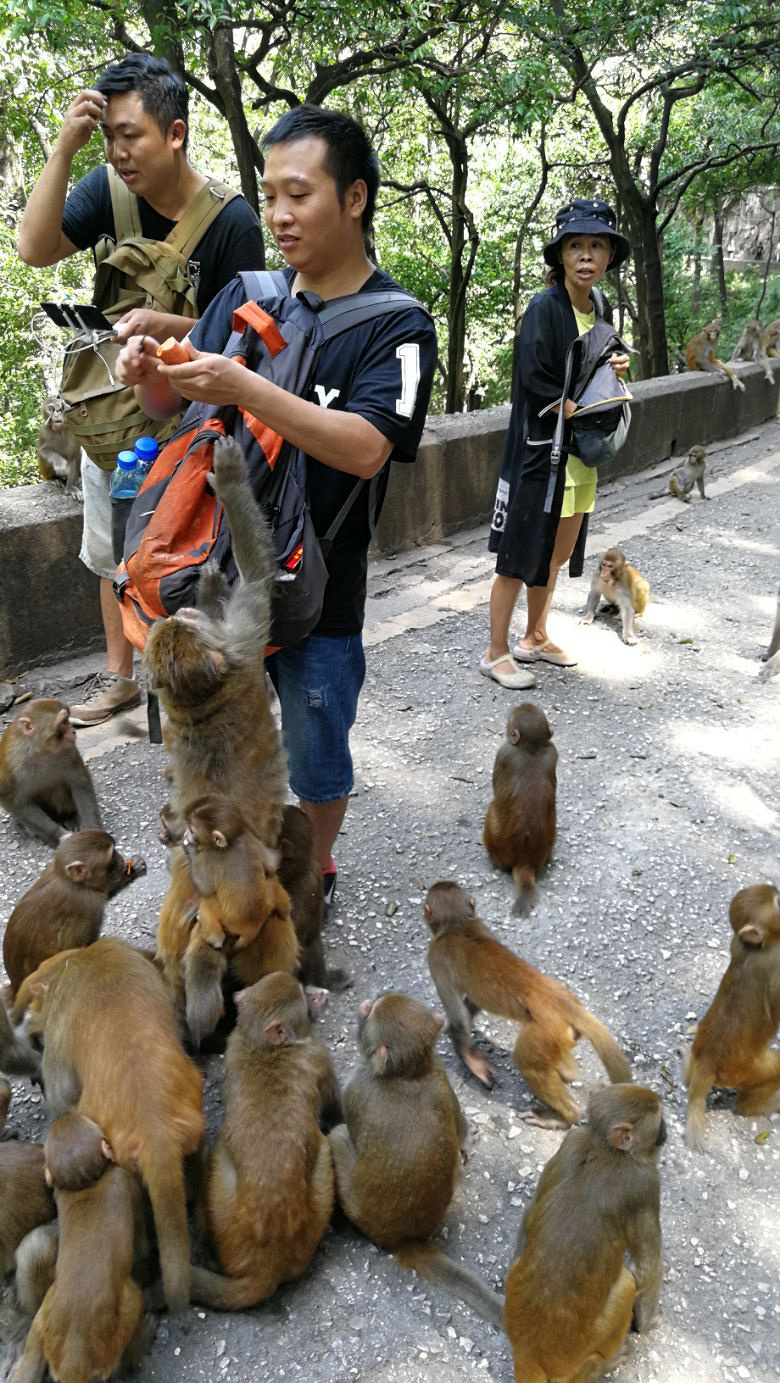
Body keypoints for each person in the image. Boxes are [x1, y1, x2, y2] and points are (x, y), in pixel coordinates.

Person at [115, 104, 437, 910]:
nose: (281, 216)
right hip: (221, 573)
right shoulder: (247, 295)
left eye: (300, 194)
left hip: (318, 588)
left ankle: (313, 865)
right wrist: (149, 370)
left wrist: (245, 384)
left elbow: (368, 445)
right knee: (221, 740)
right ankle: (231, 853)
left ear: (354, 197)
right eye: (270, 197)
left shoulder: (397, 325)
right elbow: (173, 403)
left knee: (317, 741)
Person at [17, 54, 265, 725]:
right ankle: (120, 675)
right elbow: (33, 248)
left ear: (175, 133)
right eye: (109, 138)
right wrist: (67, 148)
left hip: (191, 420)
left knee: (194, 556)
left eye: (131, 135)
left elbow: (249, 334)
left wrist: (170, 325)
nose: (118, 152)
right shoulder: (107, 191)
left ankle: (202, 679)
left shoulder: (231, 222)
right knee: (111, 554)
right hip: (115, 413)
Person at [480, 199, 631, 689]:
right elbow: (534, 379)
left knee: (555, 553)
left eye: (596, 246)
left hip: (581, 454)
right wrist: (572, 405)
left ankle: (536, 636)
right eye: (576, 246)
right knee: (519, 554)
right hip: (541, 453)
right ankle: (495, 651)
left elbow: (601, 358)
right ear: (561, 256)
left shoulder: (600, 306)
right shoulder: (546, 309)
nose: (586, 255)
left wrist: (618, 367)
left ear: (608, 256)